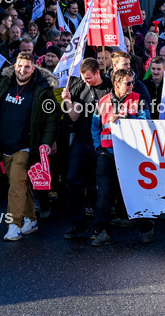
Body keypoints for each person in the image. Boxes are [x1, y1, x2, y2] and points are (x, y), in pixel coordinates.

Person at [0, 53, 59, 241]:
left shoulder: (42, 90)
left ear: (34, 68)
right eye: (20, 66)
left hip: (26, 146)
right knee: (20, 184)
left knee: (16, 186)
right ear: (15, 66)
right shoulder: (4, 83)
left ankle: (14, 225)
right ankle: (30, 219)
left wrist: (47, 142)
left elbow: (51, 118)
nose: (22, 70)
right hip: (4, 144)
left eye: (27, 67)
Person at [89, 68, 151, 247]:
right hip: (107, 155)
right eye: (128, 83)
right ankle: (102, 232)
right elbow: (95, 127)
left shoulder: (138, 99)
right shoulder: (102, 102)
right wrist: (98, 148)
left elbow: (146, 123)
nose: (132, 85)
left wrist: (127, 117)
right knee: (103, 196)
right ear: (116, 84)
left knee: (134, 194)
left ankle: (146, 228)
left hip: (130, 156)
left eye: (132, 82)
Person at [61, 59, 112, 241]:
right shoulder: (79, 86)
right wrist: (67, 101)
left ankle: (101, 227)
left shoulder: (109, 86)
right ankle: (76, 223)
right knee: (73, 180)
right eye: (83, 78)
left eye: (89, 78)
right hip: (82, 141)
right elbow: (74, 117)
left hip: (103, 144)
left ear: (98, 72)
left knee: (100, 187)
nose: (86, 81)